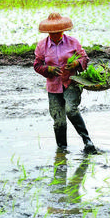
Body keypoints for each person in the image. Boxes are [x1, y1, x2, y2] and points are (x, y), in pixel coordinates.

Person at [33, 12, 97, 153]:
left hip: (71, 83)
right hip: (53, 86)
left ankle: (87, 141)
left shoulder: (73, 42)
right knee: (59, 121)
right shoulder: (42, 46)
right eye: (52, 33)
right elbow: (37, 65)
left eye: (57, 32)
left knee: (71, 110)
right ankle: (62, 149)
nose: (55, 35)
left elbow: (84, 59)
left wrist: (76, 63)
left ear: (62, 31)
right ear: (48, 32)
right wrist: (48, 68)